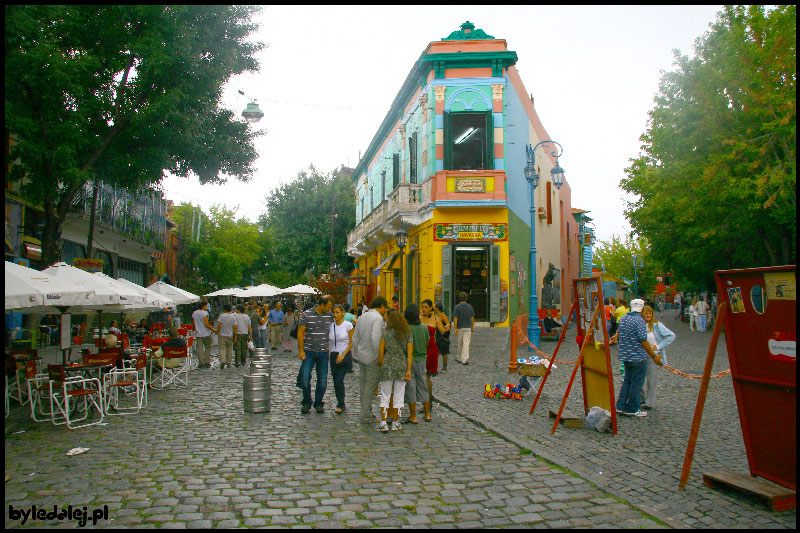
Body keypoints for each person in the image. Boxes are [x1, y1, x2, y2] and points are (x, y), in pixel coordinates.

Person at [610, 299, 662, 417]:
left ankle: (620, 406)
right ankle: (633, 408)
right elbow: (643, 340)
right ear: (642, 308)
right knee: (636, 383)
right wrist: (654, 356)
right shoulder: (639, 321)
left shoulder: (624, 318)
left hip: (626, 355)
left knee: (627, 381)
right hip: (638, 356)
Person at [352, 296, 389, 424]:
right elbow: (375, 338)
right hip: (372, 357)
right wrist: (378, 356)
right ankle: (365, 414)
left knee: (363, 385)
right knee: (370, 387)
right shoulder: (378, 318)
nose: (386, 311)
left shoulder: (362, 316)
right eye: (386, 307)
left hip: (361, 356)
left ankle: (365, 410)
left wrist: (355, 353)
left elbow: (355, 337)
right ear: (382, 306)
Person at [297, 295, 335, 414]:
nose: (330, 309)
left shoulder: (330, 315)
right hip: (309, 351)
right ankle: (307, 401)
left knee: (322, 379)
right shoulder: (307, 314)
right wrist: (301, 350)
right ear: (322, 305)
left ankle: (318, 402)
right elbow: (300, 331)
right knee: (305, 377)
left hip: (323, 352)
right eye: (329, 306)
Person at [377, 309, 412, 432]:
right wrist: (408, 369)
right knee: (398, 395)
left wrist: (381, 363)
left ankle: (383, 421)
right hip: (401, 365)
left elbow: (381, 351)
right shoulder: (407, 333)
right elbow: (409, 353)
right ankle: (396, 422)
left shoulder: (385, 332)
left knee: (385, 395)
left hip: (388, 365)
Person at [640, 305, 676, 410]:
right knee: (638, 379)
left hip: (653, 356)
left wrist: (659, 346)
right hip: (641, 355)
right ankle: (641, 398)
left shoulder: (656, 325)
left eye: (649, 313)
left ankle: (649, 402)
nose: (648, 315)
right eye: (646, 313)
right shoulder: (639, 325)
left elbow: (671, 336)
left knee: (652, 380)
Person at [403, 303, 429, 425]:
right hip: (422, 359)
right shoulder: (424, 327)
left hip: (410, 360)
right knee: (423, 385)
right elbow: (427, 341)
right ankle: (427, 414)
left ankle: (413, 416)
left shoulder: (407, 329)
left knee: (411, 387)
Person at [329, 304, 354, 415]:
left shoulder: (348, 325)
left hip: (344, 355)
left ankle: (341, 404)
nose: (336, 315)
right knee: (336, 381)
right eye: (334, 312)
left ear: (343, 313)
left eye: (338, 312)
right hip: (333, 355)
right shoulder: (331, 325)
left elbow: (352, 342)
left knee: (339, 379)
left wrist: (343, 354)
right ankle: (340, 401)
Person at [420, 299, 447, 407]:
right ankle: (427, 402)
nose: (424, 309)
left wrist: (447, 327)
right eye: (422, 307)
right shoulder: (419, 318)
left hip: (432, 349)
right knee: (423, 376)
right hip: (421, 348)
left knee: (427, 376)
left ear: (431, 308)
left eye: (426, 307)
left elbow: (443, 331)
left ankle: (428, 402)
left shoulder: (435, 318)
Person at [452, 292, 475, 365]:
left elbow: (455, 318)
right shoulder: (470, 307)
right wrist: (472, 327)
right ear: (466, 298)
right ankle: (464, 359)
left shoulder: (457, 307)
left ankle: (459, 357)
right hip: (468, 327)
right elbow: (472, 318)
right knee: (466, 343)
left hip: (460, 327)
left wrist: (455, 328)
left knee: (460, 343)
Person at [192, 300, 215, 369]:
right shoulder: (205, 313)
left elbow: (193, 323)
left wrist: (194, 329)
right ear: (204, 306)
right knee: (207, 348)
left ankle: (201, 362)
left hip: (198, 334)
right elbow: (206, 323)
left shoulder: (194, 313)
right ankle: (207, 362)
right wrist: (213, 330)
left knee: (200, 349)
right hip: (206, 333)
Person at [216, 303, 236, 369]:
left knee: (222, 349)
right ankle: (229, 362)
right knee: (229, 349)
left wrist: (218, 332)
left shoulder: (221, 316)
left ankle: (222, 361)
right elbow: (235, 327)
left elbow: (219, 325)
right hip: (230, 335)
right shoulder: (233, 316)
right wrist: (235, 336)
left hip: (222, 334)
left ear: (224, 309)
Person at [434, 302, 451, 373]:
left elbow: (448, 325)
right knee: (436, 352)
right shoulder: (435, 315)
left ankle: (444, 367)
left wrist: (446, 336)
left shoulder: (443, 316)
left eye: (435, 307)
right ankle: (435, 367)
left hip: (443, 336)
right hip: (437, 335)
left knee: (444, 352)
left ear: (437, 308)